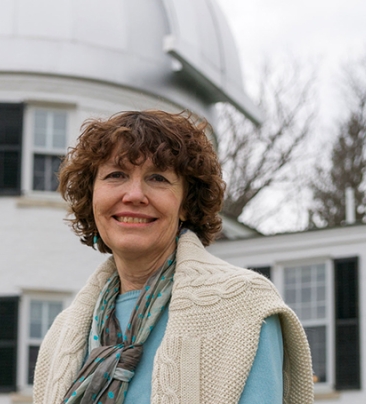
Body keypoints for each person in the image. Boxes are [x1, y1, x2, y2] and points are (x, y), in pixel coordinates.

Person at [32, 110, 314, 404]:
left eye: (158, 178)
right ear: (91, 197)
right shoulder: (62, 335)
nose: (134, 195)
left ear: (185, 204)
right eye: (116, 175)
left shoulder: (245, 309)